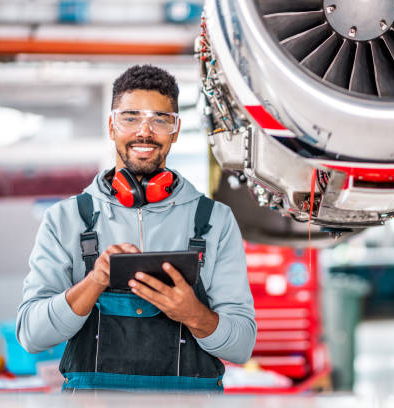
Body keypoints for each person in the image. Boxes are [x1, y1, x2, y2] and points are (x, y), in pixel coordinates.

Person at [16, 65, 256, 392]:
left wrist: (193, 314)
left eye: (160, 119)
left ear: (176, 129)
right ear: (111, 126)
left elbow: (241, 346)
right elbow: (31, 335)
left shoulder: (215, 221)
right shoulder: (66, 219)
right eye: (130, 117)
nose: (144, 132)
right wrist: (95, 282)